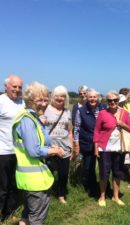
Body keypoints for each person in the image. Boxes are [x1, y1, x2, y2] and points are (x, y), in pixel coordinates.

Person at [12, 82, 64, 225]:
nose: (44, 103)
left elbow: (36, 143)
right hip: (35, 179)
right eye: (40, 100)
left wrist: (49, 145)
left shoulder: (33, 117)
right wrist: (54, 150)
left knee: (28, 213)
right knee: (37, 218)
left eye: (46, 99)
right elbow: (34, 151)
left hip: (32, 176)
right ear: (30, 101)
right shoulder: (28, 120)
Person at [94, 91, 130, 207]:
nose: (113, 102)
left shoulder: (124, 113)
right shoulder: (102, 113)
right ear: (107, 102)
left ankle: (115, 196)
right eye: (110, 100)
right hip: (104, 148)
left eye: (115, 100)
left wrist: (122, 124)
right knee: (104, 173)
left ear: (118, 101)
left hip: (119, 148)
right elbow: (97, 131)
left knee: (117, 172)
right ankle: (102, 196)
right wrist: (96, 147)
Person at [0, 75, 25, 221]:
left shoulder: (21, 103)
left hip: (19, 151)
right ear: (6, 87)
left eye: (20, 87)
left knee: (15, 184)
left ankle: (9, 213)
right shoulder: (1, 101)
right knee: (2, 185)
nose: (17, 89)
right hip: (3, 150)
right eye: (14, 86)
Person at [73, 88, 106, 197]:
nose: (93, 99)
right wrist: (77, 145)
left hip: (102, 143)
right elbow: (76, 129)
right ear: (87, 98)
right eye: (90, 97)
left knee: (103, 166)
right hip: (87, 143)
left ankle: (103, 187)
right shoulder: (81, 111)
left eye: (94, 97)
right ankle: (90, 187)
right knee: (88, 167)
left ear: (98, 98)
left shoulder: (103, 109)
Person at [44, 85, 73, 204]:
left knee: (63, 174)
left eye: (63, 96)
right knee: (47, 173)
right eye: (57, 96)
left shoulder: (67, 112)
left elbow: (70, 131)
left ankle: (61, 195)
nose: (60, 98)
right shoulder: (46, 109)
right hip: (49, 148)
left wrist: (71, 147)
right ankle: (47, 194)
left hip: (64, 148)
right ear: (53, 96)